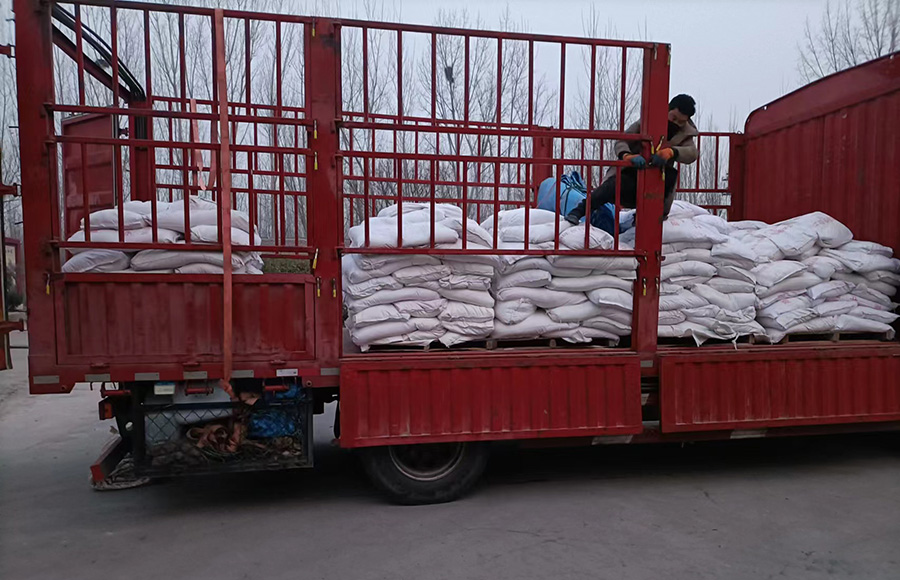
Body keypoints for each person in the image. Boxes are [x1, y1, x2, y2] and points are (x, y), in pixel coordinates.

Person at [565, 94, 699, 225]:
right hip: (632, 173)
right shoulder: (647, 122)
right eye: (673, 118)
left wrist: (672, 152)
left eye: (681, 122)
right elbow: (622, 140)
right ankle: (579, 211)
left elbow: (692, 153)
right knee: (610, 187)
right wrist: (627, 156)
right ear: (667, 109)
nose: (675, 123)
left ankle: (644, 222)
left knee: (669, 177)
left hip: (657, 181)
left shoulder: (685, 133)